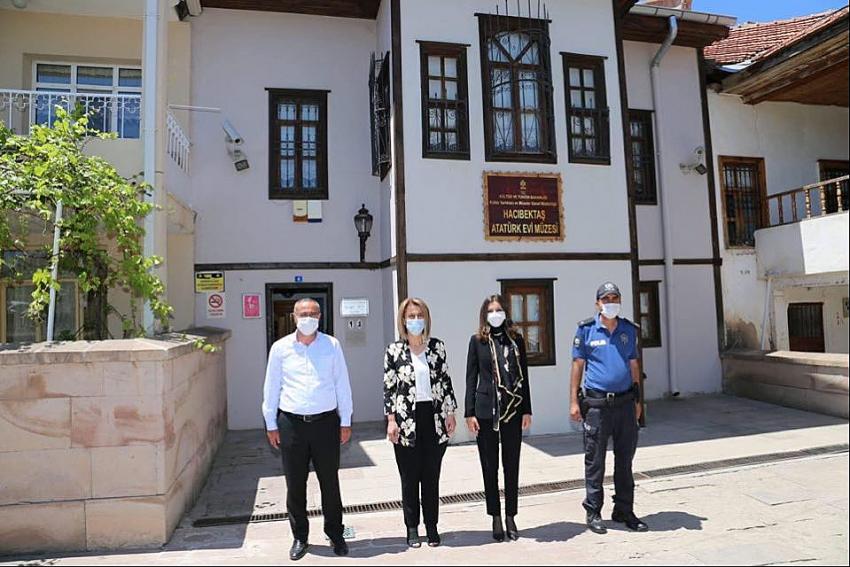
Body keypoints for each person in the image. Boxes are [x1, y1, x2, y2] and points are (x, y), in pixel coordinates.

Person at [262, 298, 354, 561]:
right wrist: (271, 423)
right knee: (295, 484)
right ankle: (300, 537)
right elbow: (271, 387)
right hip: (291, 424)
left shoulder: (331, 345)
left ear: (320, 317)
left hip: (326, 424)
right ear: (294, 317)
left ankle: (335, 533)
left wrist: (345, 420)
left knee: (330, 482)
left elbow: (342, 383)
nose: (308, 318)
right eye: (303, 313)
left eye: (313, 313)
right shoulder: (280, 349)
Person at [570, 281, 648, 535]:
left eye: (614, 298)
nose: (610, 303)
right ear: (598, 304)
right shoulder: (586, 330)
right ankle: (593, 511)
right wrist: (573, 401)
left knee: (625, 461)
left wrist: (638, 402)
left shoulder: (628, 330)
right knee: (595, 461)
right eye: (606, 299)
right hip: (597, 406)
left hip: (625, 404)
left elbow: (634, 366)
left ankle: (624, 510)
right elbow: (577, 366)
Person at [384, 297, 458, 548]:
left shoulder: (437, 347)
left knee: (431, 476)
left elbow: (446, 382)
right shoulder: (394, 350)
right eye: (411, 316)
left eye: (419, 316)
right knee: (409, 477)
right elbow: (389, 387)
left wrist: (450, 413)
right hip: (406, 420)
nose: (416, 320)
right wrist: (391, 420)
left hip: (433, 418)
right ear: (403, 320)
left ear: (426, 319)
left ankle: (432, 526)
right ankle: (412, 527)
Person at [465, 294, 532, 542]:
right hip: (485, 411)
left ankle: (511, 515)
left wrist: (527, 409)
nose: (495, 314)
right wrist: (469, 412)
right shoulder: (477, 341)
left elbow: (524, 376)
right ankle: (495, 516)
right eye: (491, 311)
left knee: (511, 464)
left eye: (499, 310)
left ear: (506, 312)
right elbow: (471, 378)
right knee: (489, 465)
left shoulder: (516, 340)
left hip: (512, 409)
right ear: (485, 315)